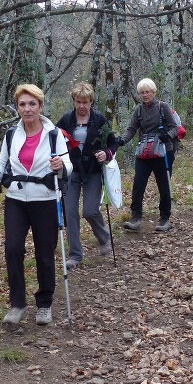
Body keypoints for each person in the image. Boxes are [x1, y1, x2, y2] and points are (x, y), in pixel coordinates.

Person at [0, 84, 71, 326]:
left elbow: (67, 164)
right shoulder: (11, 135)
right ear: (17, 108)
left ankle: (44, 304)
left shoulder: (54, 134)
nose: (27, 108)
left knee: (44, 253)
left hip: (46, 200)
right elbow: (2, 164)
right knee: (12, 249)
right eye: (22, 104)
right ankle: (17, 304)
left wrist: (61, 167)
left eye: (32, 104)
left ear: (40, 106)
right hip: (16, 199)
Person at [56, 83, 119, 270]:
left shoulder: (99, 120)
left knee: (90, 211)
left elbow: (113, 143)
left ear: (91, 101)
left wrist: (106, 154)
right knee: (70, 212)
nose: (82, 106)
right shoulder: (66, 120)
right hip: (71, 171)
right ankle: (75, 255)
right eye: (78, 102)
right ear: (74, 101)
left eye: (85, 102)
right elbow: (53, 140)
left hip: (92, 170)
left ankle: (104, 237)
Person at [116, 78, 175, 232]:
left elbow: (174, 127)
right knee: (138, 184)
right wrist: (121, 141)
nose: (145, 95)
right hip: (144, 152)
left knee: (163, 185)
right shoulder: (139, 110)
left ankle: (164, 218)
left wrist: (167, 135)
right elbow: (131, 128)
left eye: (147, 92)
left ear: (153, 92)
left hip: (163, 152)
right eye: (142, 92)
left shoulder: (163, 107)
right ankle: (135, 217)